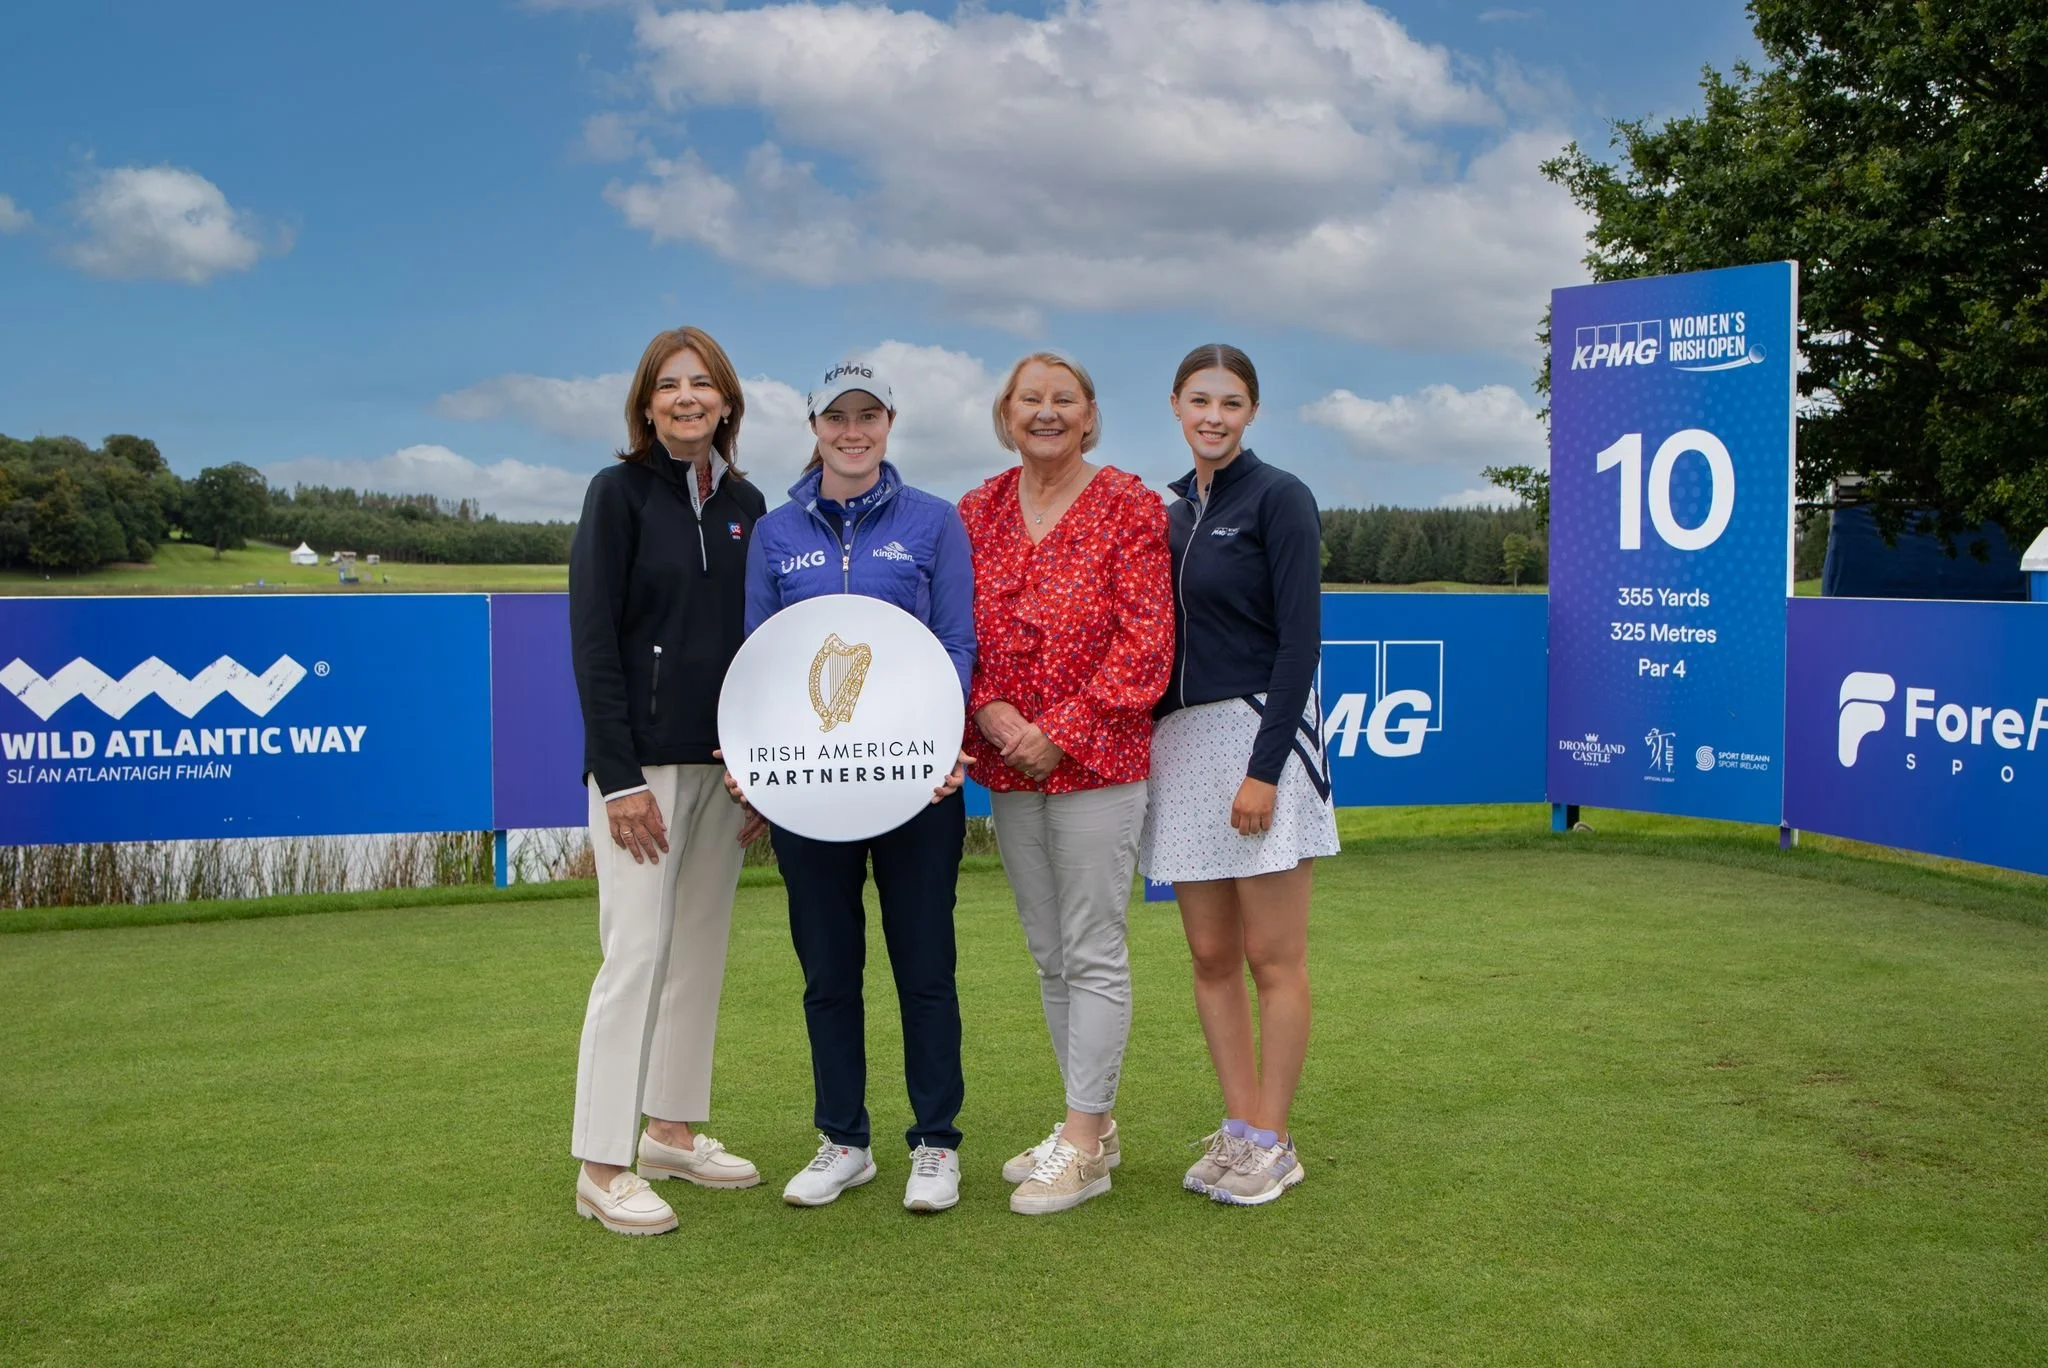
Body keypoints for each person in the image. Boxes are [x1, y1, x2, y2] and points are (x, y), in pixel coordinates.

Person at [738, 358, 978, 1213]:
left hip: (916, 789)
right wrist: (753, 759)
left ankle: (936, 1143)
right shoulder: (775, 533)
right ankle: (843, 1139)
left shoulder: (933, 523)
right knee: (829, 971)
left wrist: (945, 746)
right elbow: (759, 661)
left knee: (925, 967)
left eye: (867, 416)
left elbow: (954, 645)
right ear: (813, 428)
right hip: (811, 792)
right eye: (836, 417)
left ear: (889, 422)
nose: (852, 430)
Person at [958, 351, 1173, 1215]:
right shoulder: (976, 509)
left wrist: (1065, 731)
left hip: (1099, 765)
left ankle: (1084, 1146)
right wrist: (1000, 719)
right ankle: (1092, 1122)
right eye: (1029, 399)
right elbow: (953, 632)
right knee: (1050, 954)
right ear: (1006, 414)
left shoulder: (1129, 504)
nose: (1045, 412)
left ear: (1089, 415)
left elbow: (1147, 644)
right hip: (1009, 765)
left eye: (1063, 400)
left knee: (1092, 949)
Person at [565, 326, 768, 1236]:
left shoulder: (751, 504)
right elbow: (593, 641)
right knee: (636, 955)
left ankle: (671, 1132)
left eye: (703, 385)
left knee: (698, 954)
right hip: (638, 771)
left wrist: (763, 771)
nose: (687, 398)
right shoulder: (616, 495)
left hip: (724, 771)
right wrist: (617, 778)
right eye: (669, 386)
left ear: (726, 401)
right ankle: (603, 1165)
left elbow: (763, 649)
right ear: (646, 405)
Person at [1141, 343, 1339, 1207]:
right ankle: (1237, 1126)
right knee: (1211, 953)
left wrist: (1263, 772)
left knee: (1272, 955)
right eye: (1198, 401)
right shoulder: (1169, 508)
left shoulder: (1279, 496)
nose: (1213, 416)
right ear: (1177, 408)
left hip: (1263, 734)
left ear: (1251, 410)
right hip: (1180, 746)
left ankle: (1274, 1137)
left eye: (1230, 402)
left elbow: (1302, 642)